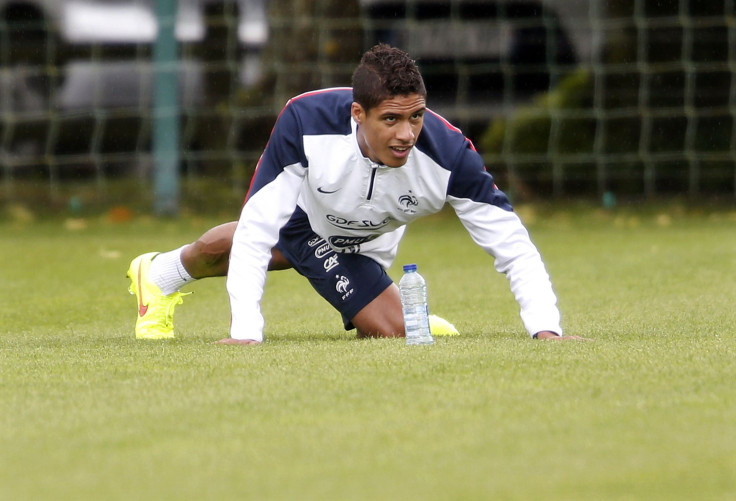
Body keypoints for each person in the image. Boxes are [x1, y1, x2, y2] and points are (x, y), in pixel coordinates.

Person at [128, 44, 584, 344]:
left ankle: (161, 271)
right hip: (303, 219)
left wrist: (546, 328)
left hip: (367, 245)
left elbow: (510, 242)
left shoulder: (449, 156)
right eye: (391, 120)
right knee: (390, 328)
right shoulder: (305, 121)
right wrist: (247, 330)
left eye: (417, 117)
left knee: (289, 258)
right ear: (357, 113)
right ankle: (165, 274)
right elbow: (258, 226)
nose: (408, 134)